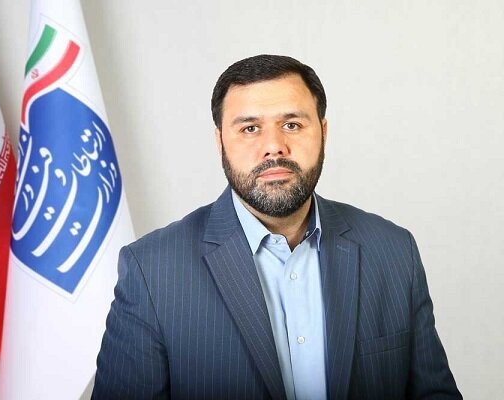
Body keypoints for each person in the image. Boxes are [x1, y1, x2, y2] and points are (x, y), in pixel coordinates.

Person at [92, 54, 461, 400]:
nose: (274, 147)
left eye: (292, 125)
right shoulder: (152, 271)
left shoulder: (393, 251)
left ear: (323, 132)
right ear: (220, 141)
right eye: (250, 128)